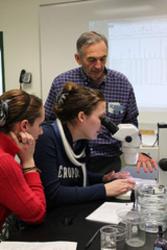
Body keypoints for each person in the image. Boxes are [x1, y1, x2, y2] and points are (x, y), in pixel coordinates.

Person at [44, 31, 157, 174]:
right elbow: (48, 122)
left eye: (103, 59)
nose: (98, 66)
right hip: (70, 160)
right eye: (92, 60)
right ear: (78, 58)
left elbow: (131, 123)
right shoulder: (62, 83)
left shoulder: (121, 83)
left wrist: (136, 151)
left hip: (108, 163)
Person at [34, 82, 135, 208]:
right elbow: (53, 193)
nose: (103, 124)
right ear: (82, 116)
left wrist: (104, 179)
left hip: (70, 211)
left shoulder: (81, 141)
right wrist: (105, 189)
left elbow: (78, 175)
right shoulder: (46, 138)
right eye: (101, 118)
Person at [0, 89, 46, 232]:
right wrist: (28, 162)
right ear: (24, 126)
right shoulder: (4, 162)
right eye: (40, 125)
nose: (41, 131)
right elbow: (36, 214)